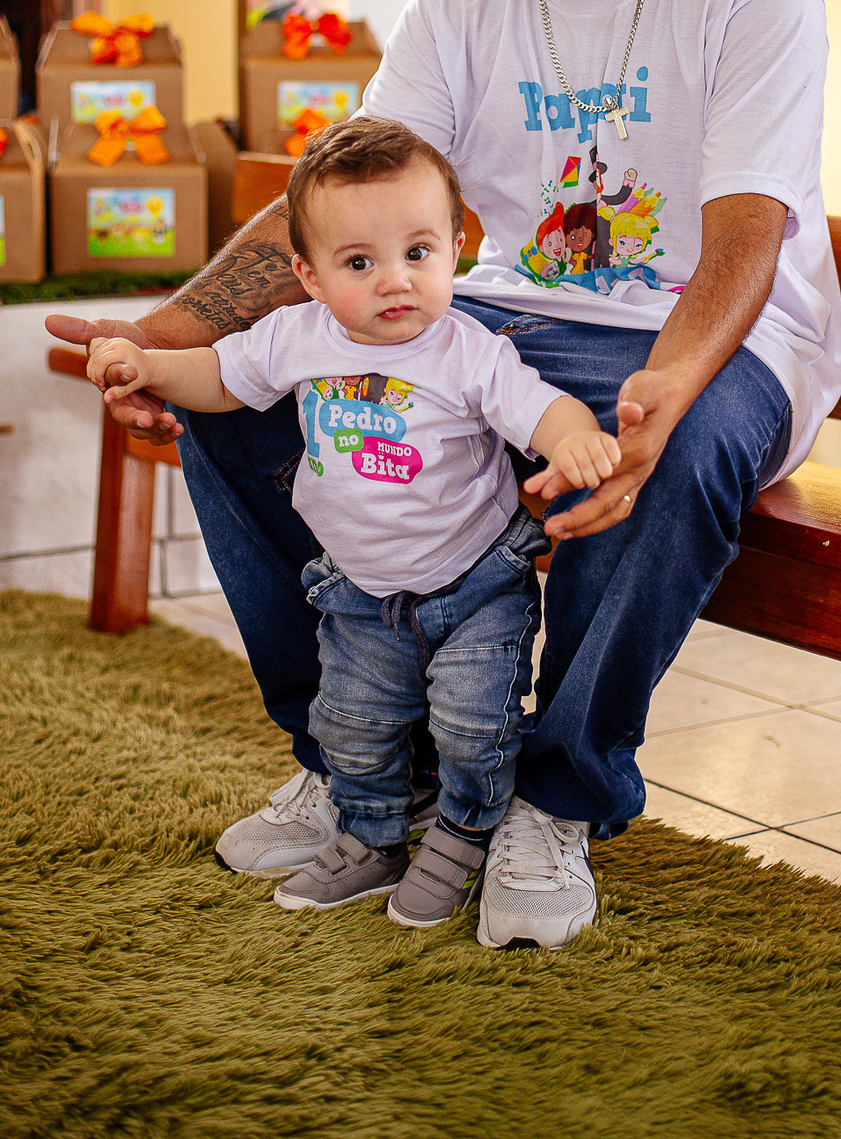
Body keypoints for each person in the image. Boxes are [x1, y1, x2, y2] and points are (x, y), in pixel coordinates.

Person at [49, 0, 841, 952]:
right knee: (242, 409)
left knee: (676, 447)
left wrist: (668, 382)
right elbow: (336, 204)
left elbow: (750, 226)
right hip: (491, 321)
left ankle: (555, 796)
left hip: (707, 333)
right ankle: (364, 764)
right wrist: (164, 339)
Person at [84, 118, 625, 938]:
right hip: (360, 594)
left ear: (457, 248)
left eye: (418, 252)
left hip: (474, 588)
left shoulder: (466, 351)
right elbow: (221, 376)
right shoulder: (296, 337)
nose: (394, 281)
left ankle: (463, 835)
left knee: (473, 728)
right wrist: (150, 363)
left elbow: (538, 407)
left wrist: (575, 439)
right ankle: (371, 838)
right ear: (308, 274)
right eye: (360, 263)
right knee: (352, 726)